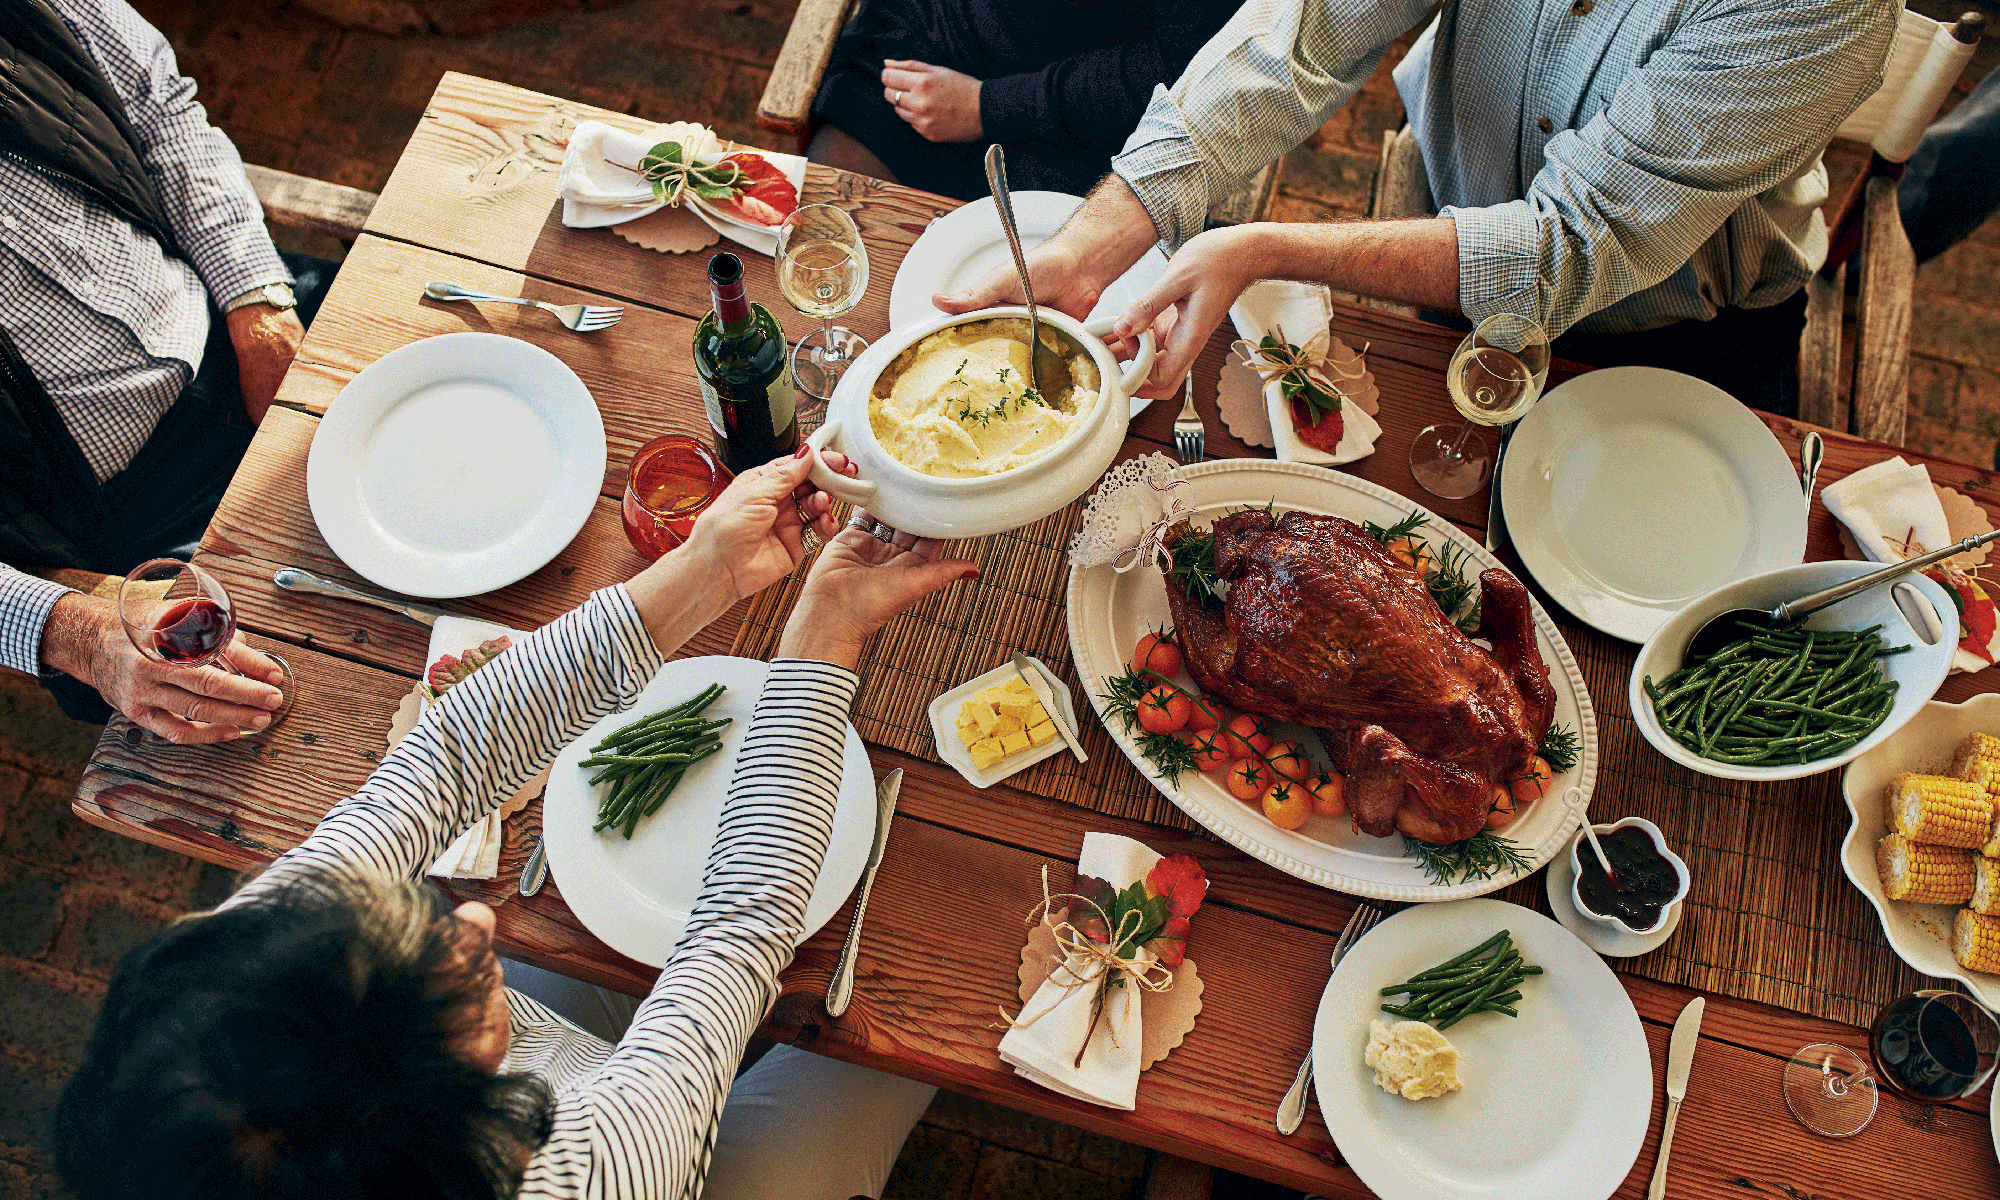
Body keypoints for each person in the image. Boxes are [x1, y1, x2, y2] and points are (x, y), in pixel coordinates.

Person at [52, 447, 979, 1200]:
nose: (474, 917)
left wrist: (708, 570)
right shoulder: (593, 1171)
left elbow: (442, 759)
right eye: (456, 996)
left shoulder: (233, 1007)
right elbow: (737, 928)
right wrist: (823, 637)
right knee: (908, 1040)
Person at [938, 0, 1901, 414]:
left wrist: (1264, 246)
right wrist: (1095, 235)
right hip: (1448, 258)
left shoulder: (1822, 9)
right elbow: (1301, 40)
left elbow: (1571, 244)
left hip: (1680, 337)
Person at [0, 0, 328, 741]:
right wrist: (70, 628)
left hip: (236, 321)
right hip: (102, 530)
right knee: (306, 707)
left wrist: (257, 303)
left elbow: (159, 108)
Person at [807, 0, 1242, 201]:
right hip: (924, 50)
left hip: (1083, 120)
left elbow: (1178, 63)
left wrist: (989, 105)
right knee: (825, 242)